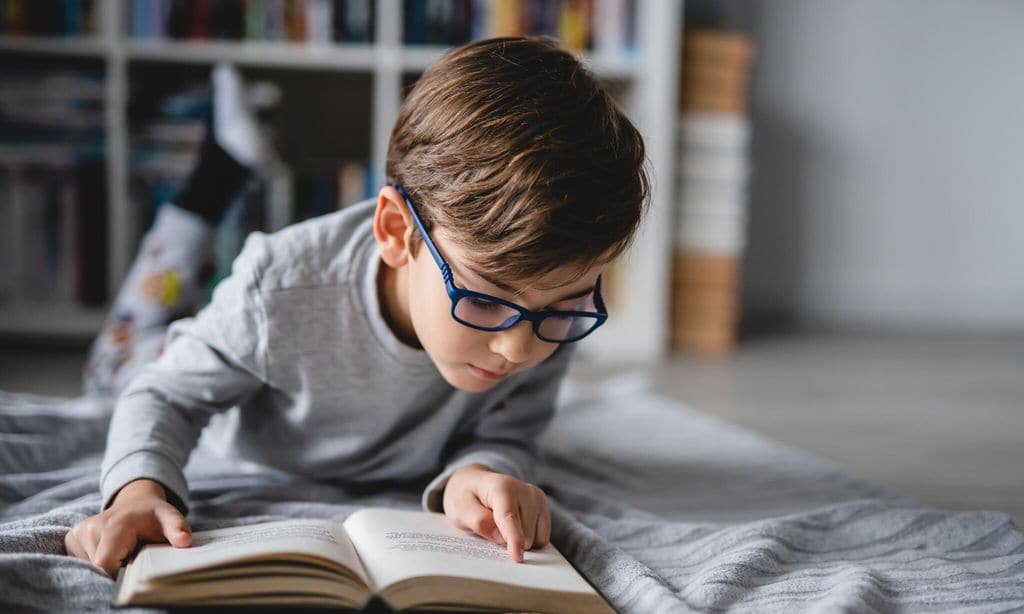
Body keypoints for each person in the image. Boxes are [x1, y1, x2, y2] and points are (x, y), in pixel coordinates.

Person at [65, 37, 649, 578]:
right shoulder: (281, 290)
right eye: (487, 299)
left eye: (565, 307)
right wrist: (140, 491)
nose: (520, 348)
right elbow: (165, 395)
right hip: (178, 360)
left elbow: (508, 430)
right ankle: (213, 180)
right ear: (397, 231)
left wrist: (477, 473)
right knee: (121, 355)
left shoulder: (543, 315)